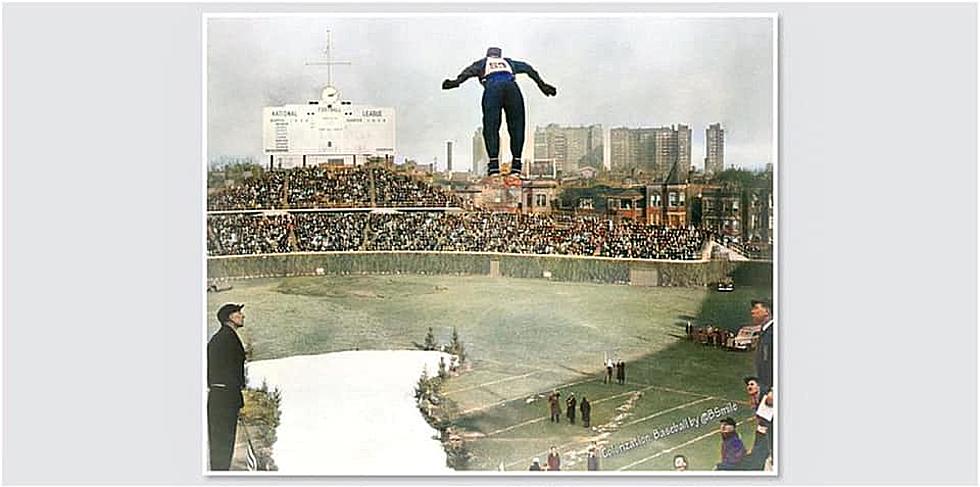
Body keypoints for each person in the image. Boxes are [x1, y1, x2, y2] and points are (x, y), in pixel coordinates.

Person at [442, 47, 557, 182]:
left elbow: (468, 73)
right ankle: (516, 167)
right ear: (500, 55)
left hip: (493, 88)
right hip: (512, 88)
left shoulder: (483, 63)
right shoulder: (509, 62)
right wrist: (543, 85)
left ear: (488, 55)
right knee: (517, 126)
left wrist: (455, 82)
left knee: (491, 126)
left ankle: (494, 167)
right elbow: (528, 68)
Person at [208, 303, 248, 470]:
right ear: (231, 317)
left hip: (222, 396)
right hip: (224, 397)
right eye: (239, 313)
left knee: (223, 445)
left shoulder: (224, 337)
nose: (243, 316)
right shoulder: (225, 338)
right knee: (222, 446)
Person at [741, 377, 772, 470]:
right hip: (762, 431)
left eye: (752, 384)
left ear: (758, 387)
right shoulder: (755, 399)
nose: (749, 386)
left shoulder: (766, 397)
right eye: (748, 385)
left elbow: (765, 420)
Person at [751, 299, 775, 395]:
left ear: (767, 311)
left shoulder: (774, 332)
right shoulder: (765, 331)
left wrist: (773, 390)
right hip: (764, 388)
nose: (752, 311)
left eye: (756, 308)